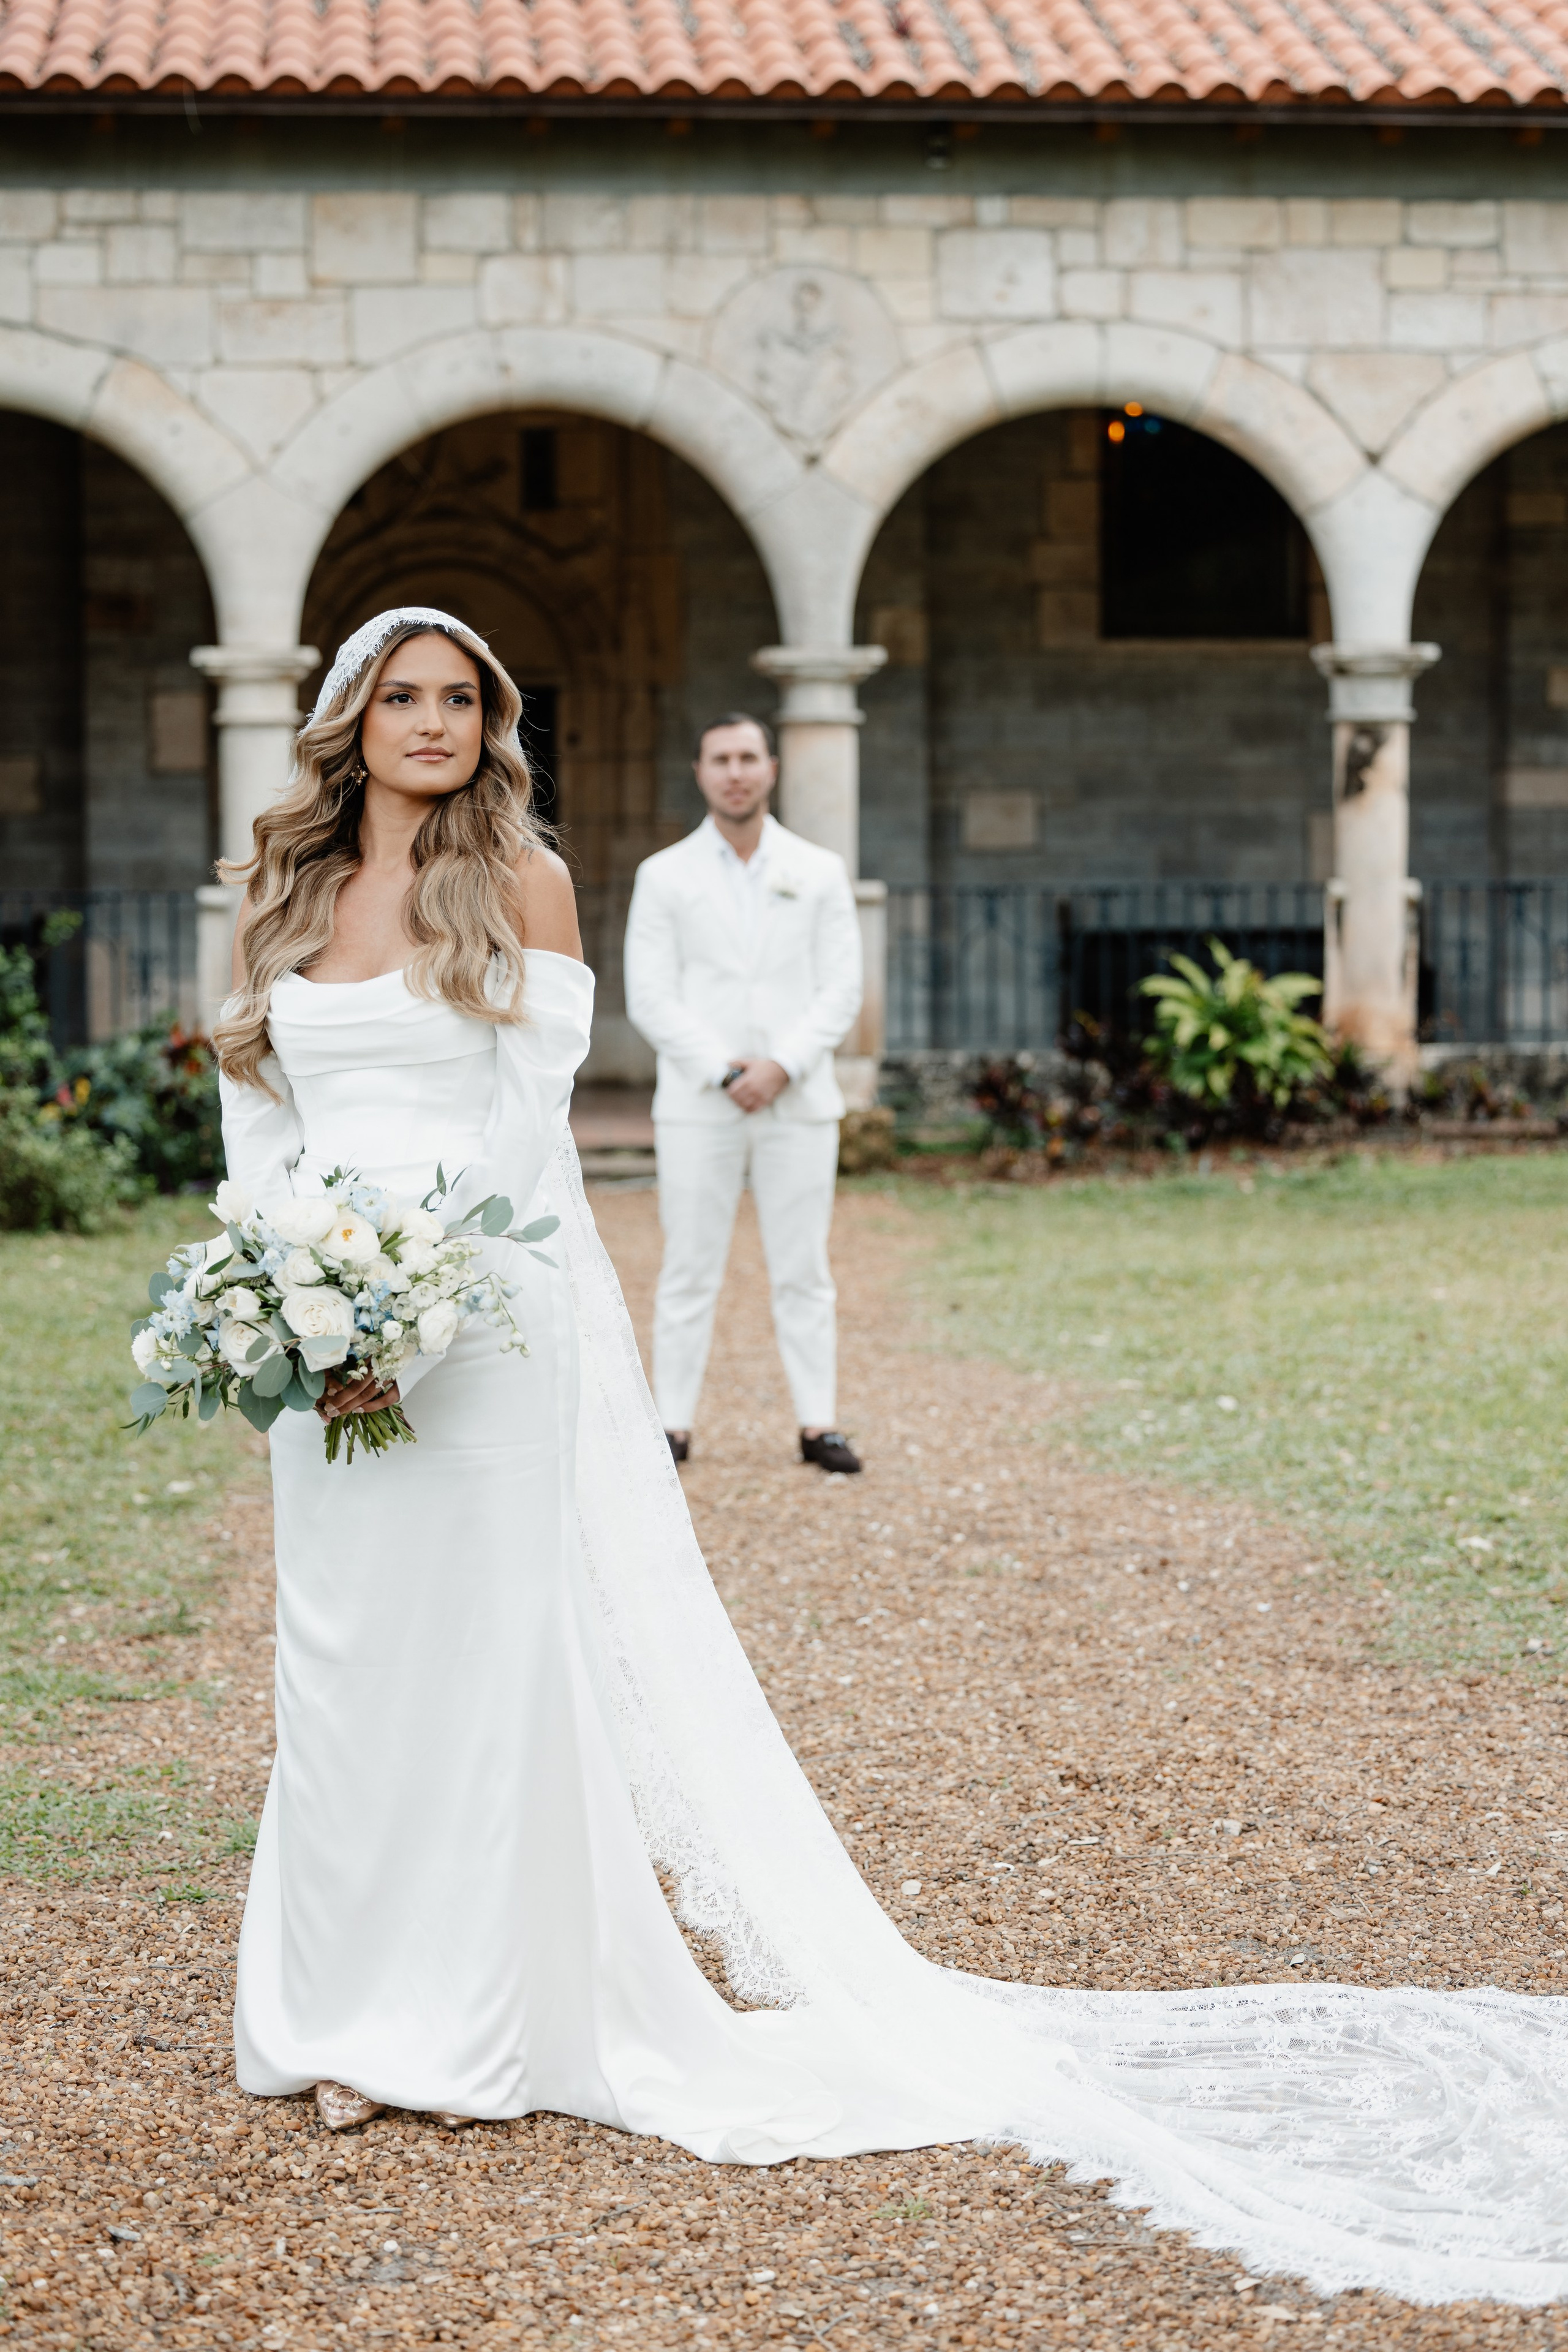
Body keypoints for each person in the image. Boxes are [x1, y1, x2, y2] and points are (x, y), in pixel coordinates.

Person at [213, 605, 1568, 2302]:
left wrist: (410, 1309)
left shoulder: (525, 887)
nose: (430, 724)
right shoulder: (281, 894)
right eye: (400, 699)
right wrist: (284, 1290)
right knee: (341, 1666)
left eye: (459, 702)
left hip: (475, 1328)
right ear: (350, 722)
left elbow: (519, 1132)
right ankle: (334, 2003)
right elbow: (254, 1110)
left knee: (485, 1666)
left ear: (492, 727)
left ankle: (461, 2019)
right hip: (320, 1337)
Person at [622, 714, 863, 1472]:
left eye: (748, 758)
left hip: (799, 1097)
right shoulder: (664, 875)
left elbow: (842, 986)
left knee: (804, 1268)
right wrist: (726, 1070)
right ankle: (673, 1425)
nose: (736, 772)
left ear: (772, 768)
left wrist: (780, 1064)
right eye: (721, 759)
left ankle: (818, 1423)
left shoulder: (819, 869)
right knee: (690, 1265)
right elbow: (650, 995)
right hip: (701, 1101)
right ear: (699, 771)